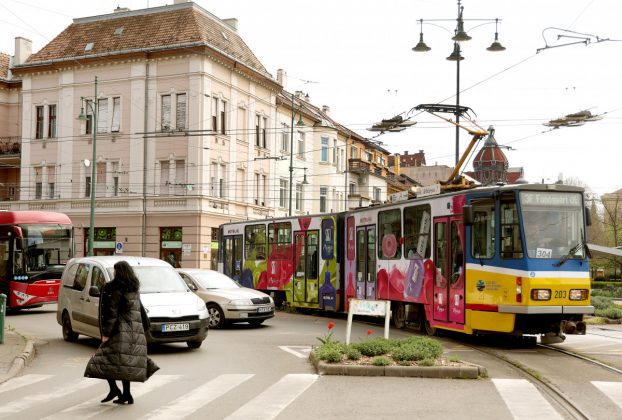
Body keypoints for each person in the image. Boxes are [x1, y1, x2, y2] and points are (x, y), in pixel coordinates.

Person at [84, 260, 159, 405]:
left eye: (115, 270)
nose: (113, 272)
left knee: (103, 359)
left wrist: (106, 333)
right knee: (125, 362)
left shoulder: (116, 289)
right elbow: (140, 309)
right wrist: (145, 327)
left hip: (120, 331)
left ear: (119, 271)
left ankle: (114, 390)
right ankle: (126, 394)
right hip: (135, 332)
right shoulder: (133, 287)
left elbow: (112, 313)